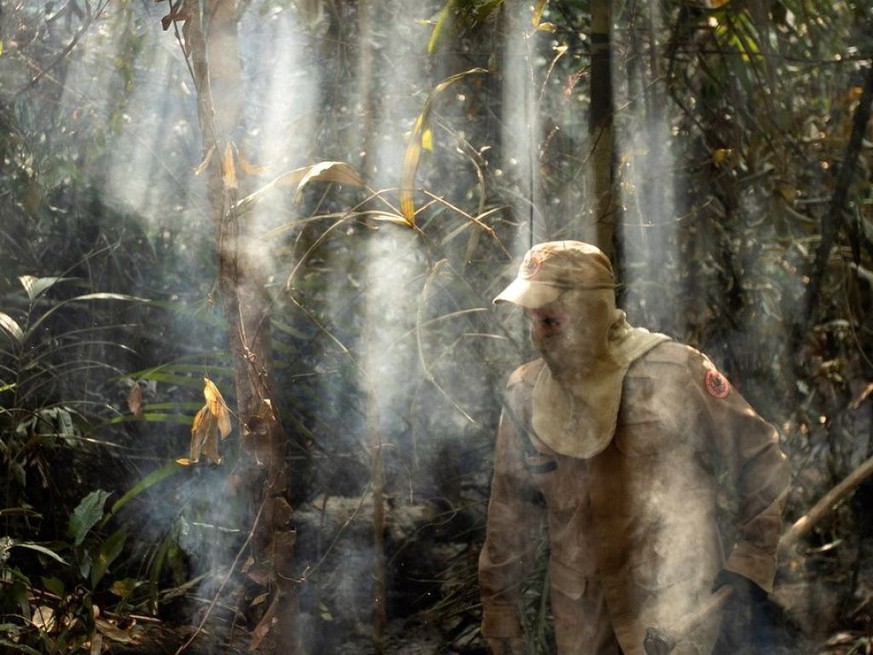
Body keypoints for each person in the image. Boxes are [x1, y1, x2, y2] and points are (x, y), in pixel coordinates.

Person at [478, 241, 790, 655]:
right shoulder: (525, 392)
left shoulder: (676, 371)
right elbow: (509, 512)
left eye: (550, 321)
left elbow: (760, 456)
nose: (536, 337)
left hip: (677, 605)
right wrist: (500, 610)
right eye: (531, 322)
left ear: (589, 314)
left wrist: (752, 557)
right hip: (583, 618)